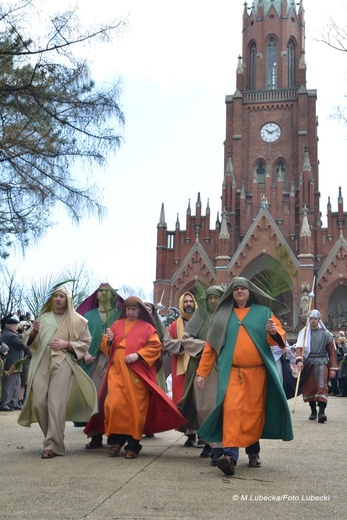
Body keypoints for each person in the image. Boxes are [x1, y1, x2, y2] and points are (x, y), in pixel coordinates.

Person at [196, 277, 293, 476]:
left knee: (252, 413)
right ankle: (230, 457)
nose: (240, 291)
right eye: (236, 289)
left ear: (250, 292)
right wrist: (202, 373)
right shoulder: (223, 315)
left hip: (257, 373)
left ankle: (253, 452)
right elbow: (211, 348)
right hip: (231, 372)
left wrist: (274, 332)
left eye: (243, 289)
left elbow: (279, 340)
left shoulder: (264, 312)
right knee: (231, 411)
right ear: (231, 293)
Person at [84, 296, 186, 459]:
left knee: (135, 408)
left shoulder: (147, 328)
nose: (130, 312)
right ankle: (116, 441)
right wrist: (108, 340)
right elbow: (106, 349)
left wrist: (138, 355)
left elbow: (155, 346)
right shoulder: (116, 325)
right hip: (116, 372)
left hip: (137, 374)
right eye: (128, 309)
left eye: (134, 309)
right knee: (114, 405)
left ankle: (132, 444)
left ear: (140, 311)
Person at [18, 287, 98, 459]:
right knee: (39, 402)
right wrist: (34, 331)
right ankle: (53, 439)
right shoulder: (43, 318)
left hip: (63, 363)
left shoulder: (78, 320)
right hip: (41, 362)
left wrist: (67, 345)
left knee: (56, 404)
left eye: (62, 296)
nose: (58, 299)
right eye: (55, 296)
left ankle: (52, 445)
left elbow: (85, 342)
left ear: (68, 299)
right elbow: (28, 341)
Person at [177, 284, 224, 462]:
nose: (213, 301)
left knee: (219, 405)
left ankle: (217, 446)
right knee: (203, 404)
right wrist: (203, 346)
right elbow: (186, 339)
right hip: (200, 364)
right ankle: (207, 442)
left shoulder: (226, 316)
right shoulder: (201, 316)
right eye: (210, 297)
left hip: (222, 363)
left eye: (216, 297)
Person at [75, 283, 123, 447]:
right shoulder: (88, 316)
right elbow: (79, 339)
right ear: (96, 295)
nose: (103, 293)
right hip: (93, 363)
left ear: (113, 295)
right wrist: (85, 353)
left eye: (107, 291)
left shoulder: (120, 315)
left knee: (114, 399)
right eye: (100, 291)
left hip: (114, 362)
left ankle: (114, 435)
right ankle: (95, 436)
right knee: (94, 399)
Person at [165, 291, 197, 447]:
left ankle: (202, 433)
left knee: (199, 401)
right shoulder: (173, 326)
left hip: (198, 367)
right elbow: (168, 344)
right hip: (181, 369)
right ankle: (190, 433)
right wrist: (184, 345)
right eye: (186, 302)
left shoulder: (201, 322)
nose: (188, 304)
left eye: (191, 301)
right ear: (181, 305)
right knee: (183, 401)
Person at [295, 309, 338, 423]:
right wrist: (299, 360)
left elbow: (332, 352)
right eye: (311, 318)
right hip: (308, 362)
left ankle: (322, 412)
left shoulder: (326, 334)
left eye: (315, 318)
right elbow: (299, 348)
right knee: (309, 386)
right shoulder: (304, 334)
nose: (313, 321)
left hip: (321, 362)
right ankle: (313, 410)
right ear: (308, 320)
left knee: (321, 386)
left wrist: (333, 368)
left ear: (319, 320)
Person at [0, 317, 29, 411]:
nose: (17, 327)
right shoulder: (10, 335)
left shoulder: (10, 334)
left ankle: (13, 403)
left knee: (16, 384)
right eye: (16, 325)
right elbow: (23, 343)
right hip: (12, 364)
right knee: (10, 385)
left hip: (16, 364)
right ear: (11, 326)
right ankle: (5, 404)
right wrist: (25, 334)